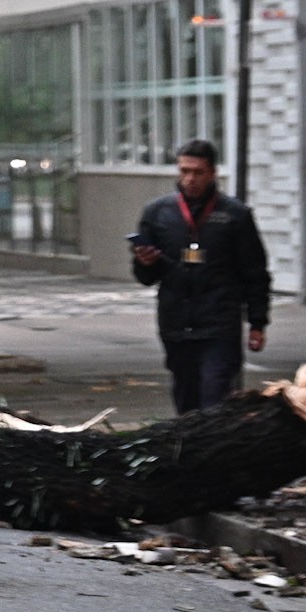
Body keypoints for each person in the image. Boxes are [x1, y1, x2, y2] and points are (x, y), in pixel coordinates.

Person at [129, 137, 271, 413]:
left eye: (197, 172)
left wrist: (257, 323)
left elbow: (255, 272)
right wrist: (144, 262)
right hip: (176, 323)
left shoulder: (235, 215)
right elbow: (145, 277)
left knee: (215, 395)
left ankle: (215, 453)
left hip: (219, 322)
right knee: (186, 399)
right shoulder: (158, 213)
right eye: (184, 171)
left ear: (213, 173)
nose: (190, 179)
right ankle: (189, 453)